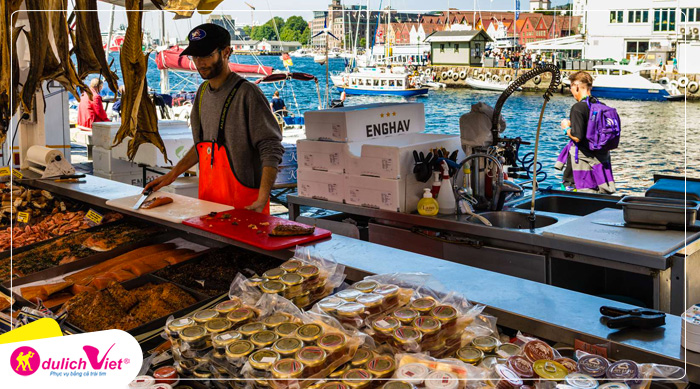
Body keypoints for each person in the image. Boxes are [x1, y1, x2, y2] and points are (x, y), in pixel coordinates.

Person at [144, 23, 284, 214]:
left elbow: (271, 147)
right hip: (209, 204)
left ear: (226, 52)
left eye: (206, 55)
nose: (199, 62)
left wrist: (262, 198)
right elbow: (202, 146)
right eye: (195, 56)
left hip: (246, 207)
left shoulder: (247, 94)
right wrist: (171, 175)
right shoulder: (201, 93)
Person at [556, 71, 615, 193]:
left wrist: (566, 127)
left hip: (580, 169)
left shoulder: (577, 108)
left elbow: (577, 137)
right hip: (598, 164)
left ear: (576, 86)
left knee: (574, 200)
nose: (571, 91)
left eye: (571, 87)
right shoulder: (601, 105)